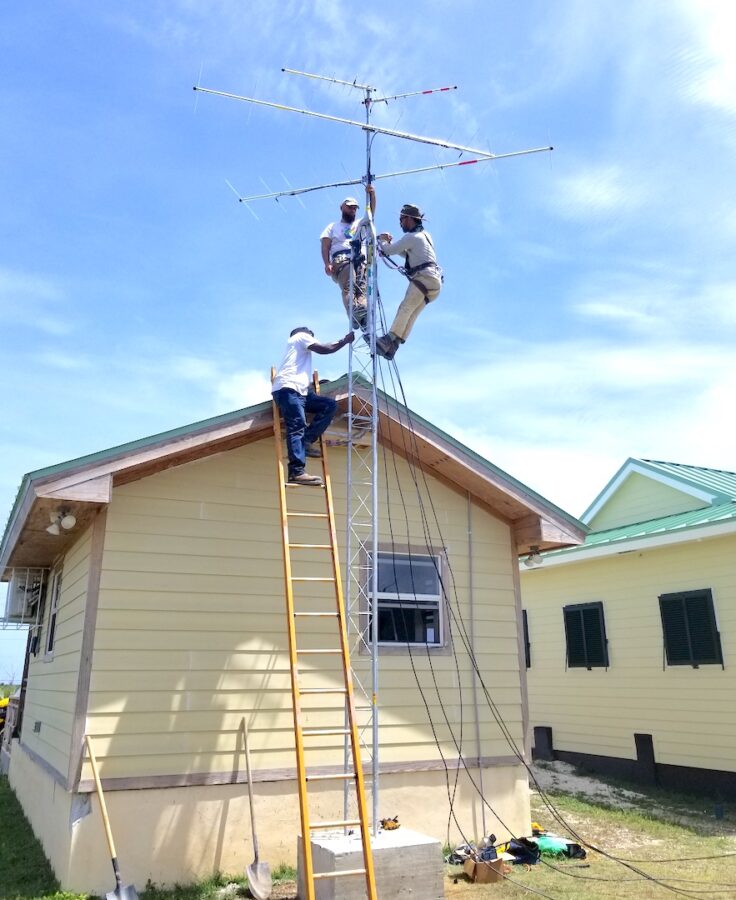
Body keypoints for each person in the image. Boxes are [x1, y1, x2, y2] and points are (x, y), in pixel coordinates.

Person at [272, 327, 354, 486]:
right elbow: (325, 348)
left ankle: (306, 441)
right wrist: (344, 341)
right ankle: (296, 472)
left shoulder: (297, 350)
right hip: (289, 389)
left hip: (301, 391)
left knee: (329, 405)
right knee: (297, 426)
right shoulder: (300, 336)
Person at [375, 203, 442, 359]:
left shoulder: (411, 237)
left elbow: (388, 251)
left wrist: (382, 240)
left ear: (409, 218)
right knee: (412, 313)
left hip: (424, 278)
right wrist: (392, 246)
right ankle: (394, 346)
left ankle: (387, 341)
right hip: (434, 283)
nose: (400, 223)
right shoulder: (424, 236)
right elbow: (408, 254)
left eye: (401, 219)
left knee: (405, 308)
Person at [320, 184, 376, 328]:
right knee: (349, 286)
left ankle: (362, 320)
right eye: (350, 207)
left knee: (361, 289)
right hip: (342, 260)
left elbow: (371, 213)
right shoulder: (333, 227)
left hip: (360, 259)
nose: (352, 210)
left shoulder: (359, 224)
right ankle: (353, 313)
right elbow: (325, 246)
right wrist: (327, 263)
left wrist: (372, 194)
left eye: (355, 208)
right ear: (342, 208)